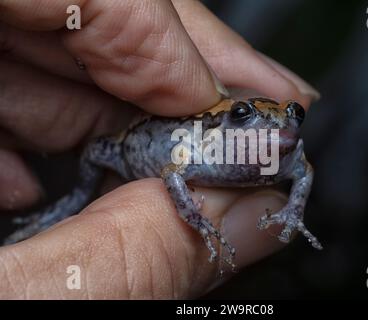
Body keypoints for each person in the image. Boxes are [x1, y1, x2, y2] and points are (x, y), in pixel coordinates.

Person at [0, 0, 319, 299]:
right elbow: (173, 173)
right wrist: (194, 217)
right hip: (129, 147)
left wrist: (294, 210)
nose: (277, 128)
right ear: (221, 126)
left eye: (295, 116)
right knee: (97, 149)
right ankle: (77, 195)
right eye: (241, 117)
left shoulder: (286, 159)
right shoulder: (206, 152)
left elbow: (304, 173)